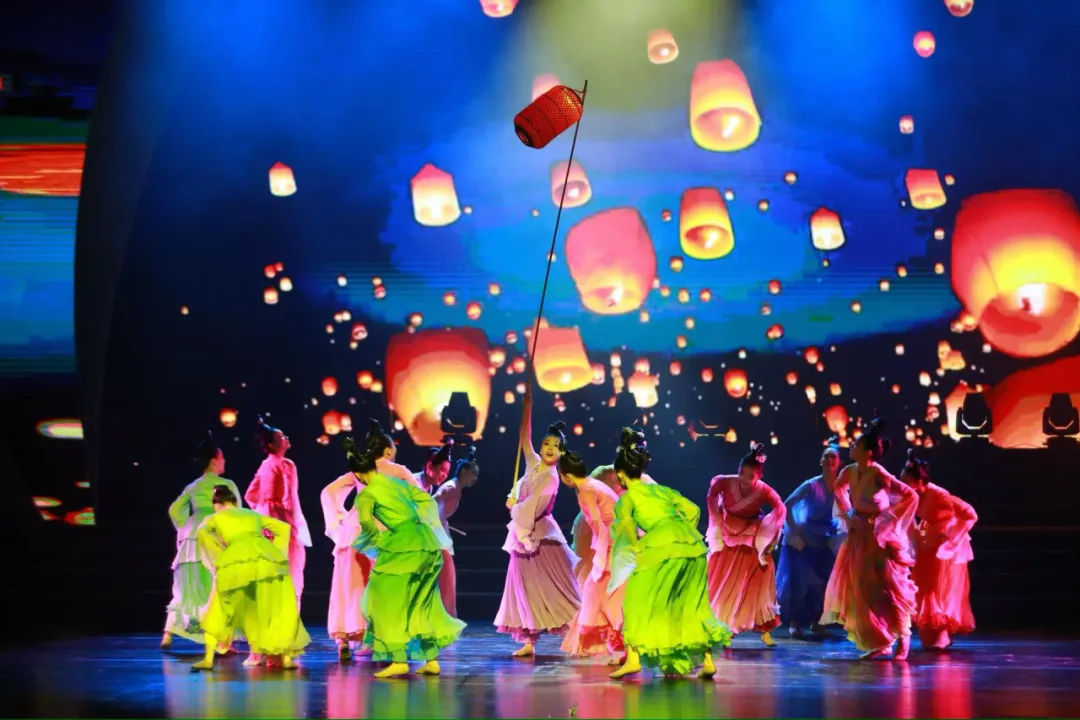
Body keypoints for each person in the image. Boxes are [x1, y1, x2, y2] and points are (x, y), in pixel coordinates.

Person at [608, 428, 732, 680]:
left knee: (634, 600)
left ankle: (633, 659)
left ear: (620, 473)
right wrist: (681, 532)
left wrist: (638, 546)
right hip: (691, 546)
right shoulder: (661, 490)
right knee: (691, 604)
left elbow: (627, 528)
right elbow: (693, 510)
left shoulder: (627, 498)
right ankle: (708, 661)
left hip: (662, 547)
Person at [348, 422, 466, 678]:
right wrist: (426, 526)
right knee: (422, 602)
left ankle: (399, 658)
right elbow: (425, 500)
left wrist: (382, 544)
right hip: (425, 542)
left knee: (384, 600)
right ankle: (431, 658)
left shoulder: (366, 496)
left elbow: (368, 529)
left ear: (359, 473)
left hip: (402, 546)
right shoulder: (397, 483)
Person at [494, 385, 581, 657]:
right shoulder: (534, 465)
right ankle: (529, 641)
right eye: (547, 444)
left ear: (562, 453)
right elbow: (524, 439)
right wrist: (528, 407)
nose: (550, 448)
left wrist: (514, 506)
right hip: (523, 535)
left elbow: (531, 509)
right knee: (523, 587)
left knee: (558, 589)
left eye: (556, 446)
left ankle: (585, 632)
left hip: (539, 536)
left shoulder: (551, 478)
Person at [821, 418, 918, 660]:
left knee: (888, 587)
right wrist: (848, 514)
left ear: (868, 452)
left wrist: (886, 521)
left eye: (856, 444)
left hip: (879, 539)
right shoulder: (849, 471)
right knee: (863, 590)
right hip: (858, 537)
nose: (851, 447)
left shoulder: (878, 473)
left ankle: (903, 639)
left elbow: (910, 496)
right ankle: (880, 640)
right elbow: (838, 489)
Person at [191, 485, 310, 671]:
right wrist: (277, 552)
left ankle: (208, 660)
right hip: (266, 559)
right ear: (234, 501)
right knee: (274, 609)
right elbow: (283, 528)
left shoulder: (214, 517)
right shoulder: (251, 514)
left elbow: (202, 532)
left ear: (216, 504)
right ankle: (286, 659)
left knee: (220, 608)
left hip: (236, 561)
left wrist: (219, 555)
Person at [162, 431, 242, 649]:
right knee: (216, 587)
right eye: (222, 458)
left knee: (185, 587)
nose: (224, 461)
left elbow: (174, 509)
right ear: (214, 460)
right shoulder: (226, 484)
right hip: (214, 533)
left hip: (192, 536)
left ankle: (169, 632)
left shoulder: (194, 485)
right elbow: (236, 512)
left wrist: (185, 528)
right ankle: (221, 640)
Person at [705, 443, 786, 647]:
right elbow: (712, 492)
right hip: (728, 534)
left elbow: (780, 508)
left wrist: (770, 533)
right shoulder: (725, 481)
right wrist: (716, 517)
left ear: (759, 476)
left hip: (751, 538)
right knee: (725, 583)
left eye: (751, 476)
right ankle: (726, 629)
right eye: (742, 473)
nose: (744, 479)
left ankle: (765, 630)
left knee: (757, 585)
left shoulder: (764, 490)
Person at [901, 448, 977, 650]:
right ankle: (931, 632)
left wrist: (952, 538)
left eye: (907, 482)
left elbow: (970, 514)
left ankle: (942, 634)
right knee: (923, 587)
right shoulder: (912, 496)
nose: (903, 486)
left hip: (943, 549)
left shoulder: (940, 495)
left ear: (919, 481)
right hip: (927, 545)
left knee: (937, 589)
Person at [557, 450, 624, 658]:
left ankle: (607, 641)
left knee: (595, 593)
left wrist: (600, 560)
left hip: (613, 545)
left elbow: (599, 527)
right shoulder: (593, 485)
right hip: (616, 542)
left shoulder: (586, 490)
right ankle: (608, 642)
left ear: (567, 476)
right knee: (599, 594)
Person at [776, 439, 845, 639]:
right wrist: (795, 532)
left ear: (839, 462)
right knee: (799, 583)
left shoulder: (841, 487)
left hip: (825, 541)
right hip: (805, 542)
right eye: (826, 456)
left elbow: (846, 511)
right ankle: (795, 623)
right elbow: (787, 504)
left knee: (823, 583)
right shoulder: (812, 485)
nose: (830, 459)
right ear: (821, 461)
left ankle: (816, 622)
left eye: (833, 456)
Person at [245, 417, 311, 607]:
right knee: (289, 563)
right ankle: (288, 613)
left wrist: (261, 510)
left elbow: (250, 495)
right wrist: (293, 521)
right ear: (272, 445)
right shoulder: (286, 464)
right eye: (281, 437)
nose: (286, 437)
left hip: (264, 519)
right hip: (281, 517)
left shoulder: (265, 465)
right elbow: (290, 496)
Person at [320, 463, 375, 660]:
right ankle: (367, 637)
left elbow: (328, 492)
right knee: (364, 585)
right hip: (371, 530)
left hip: (353, 530)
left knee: (347, 586)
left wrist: (340, 521)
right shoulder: (390, 471)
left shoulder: (360, 471)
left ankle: (343, 638)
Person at [431, 446, 480, 618]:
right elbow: (431, 500)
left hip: (440, 532)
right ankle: (443, 616)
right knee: (445, 575)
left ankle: (443, 616)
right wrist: (433, 522)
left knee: (446, 576)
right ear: (464, 471)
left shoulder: (456, 488)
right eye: (472, 474)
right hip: (436, 535)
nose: (474, 479)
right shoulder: (451, 487)